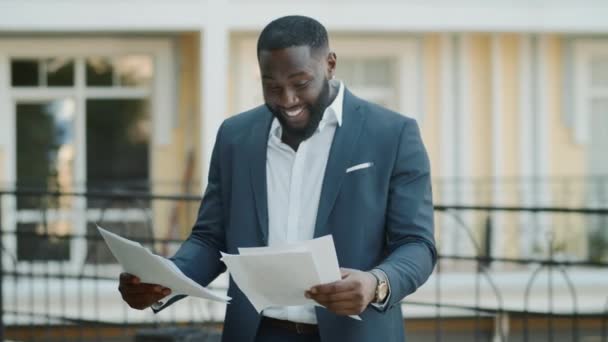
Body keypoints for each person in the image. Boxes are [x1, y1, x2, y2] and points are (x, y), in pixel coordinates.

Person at [118, 15, 436, 342]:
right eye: (272, 86)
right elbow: (211, 238)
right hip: (258, 333)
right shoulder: (235, 137)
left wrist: (377, 283)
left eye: (300, 83)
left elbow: (417, 245)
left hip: (357, 333)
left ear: (330, 64)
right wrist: (162, 282)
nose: (287, 100)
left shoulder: (393, 134)